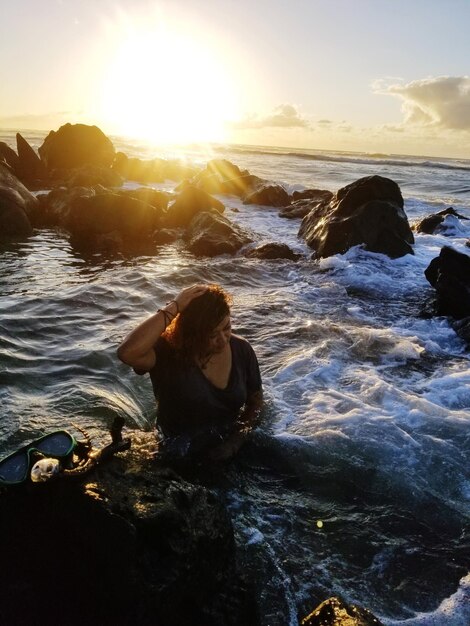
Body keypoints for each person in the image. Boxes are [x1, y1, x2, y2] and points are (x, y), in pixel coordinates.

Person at [117, 284, 263, 461]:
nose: (223, 340)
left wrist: (234, 442)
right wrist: (175, 307)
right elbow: (127, 353)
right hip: (177, 454)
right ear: (192, 334)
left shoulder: (242, 349)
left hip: (229, 448)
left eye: (227, 327)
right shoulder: (166, 353)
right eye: (212, 335)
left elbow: (256, 402)